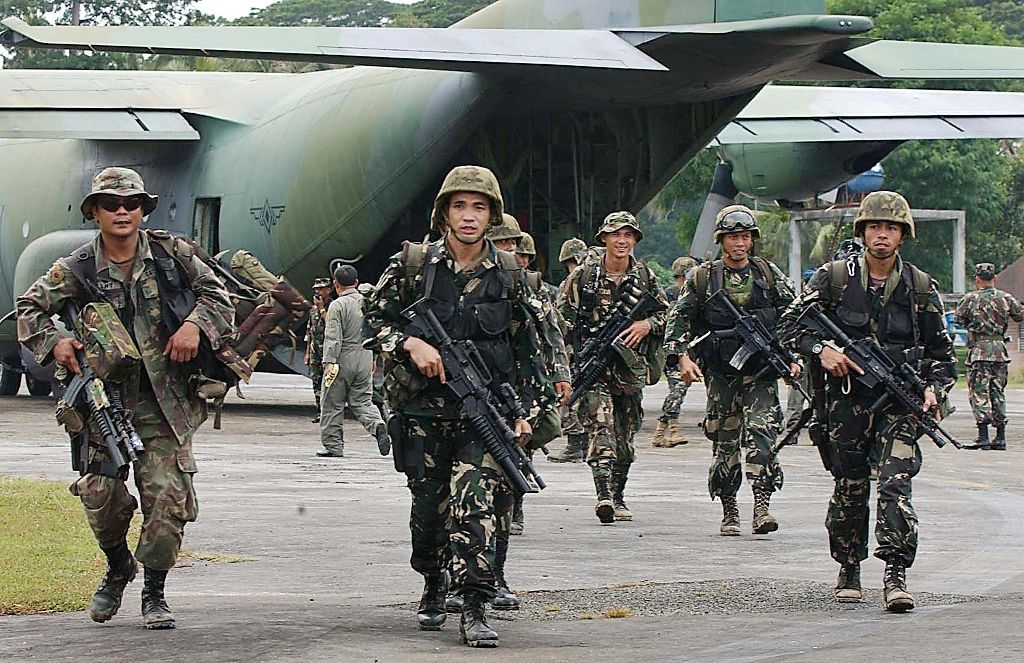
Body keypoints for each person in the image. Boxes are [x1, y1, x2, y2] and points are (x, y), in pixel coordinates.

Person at [16, 167, 236, 629]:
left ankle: (154, 592)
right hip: (103, 401)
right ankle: (118, 566)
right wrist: (55, 342)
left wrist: (195, 326)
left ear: (143, 209)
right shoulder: (76, 268)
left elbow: (221, 295)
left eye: (132, 203)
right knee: (102, 496)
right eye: (111, 204)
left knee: (167, 498)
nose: (122, 211)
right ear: (94, 211)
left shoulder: (172, 254)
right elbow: (29, 308)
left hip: (164, 404)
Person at [364, 165, 565, 648]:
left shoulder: (512, 274)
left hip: (483, 412)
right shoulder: (414, 265)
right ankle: (434, 581)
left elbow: (529, 349)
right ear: (444, 212)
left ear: (491, 215)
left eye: (479, 207)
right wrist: (411, 344)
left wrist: (526, 413)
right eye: (460, 206)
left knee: (476, 504)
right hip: (424, 412)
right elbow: (374, 319)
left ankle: (474, 603)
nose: (469, 216)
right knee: (428, 512)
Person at [779, 190, 955, 612]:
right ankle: (849, 565)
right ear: (863, 231)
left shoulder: (920, 286)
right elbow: (788, 326)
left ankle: (895, 573)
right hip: (845, 405)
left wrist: (934, 389)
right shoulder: (834, 278)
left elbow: (942, 358)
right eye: (875, 226)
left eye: (890, 228)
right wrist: (822, 349)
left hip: (898, 405)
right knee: (851, 486)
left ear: (902, 235)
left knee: (895, 485)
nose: (882, 234)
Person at [665, 205, 798, 536]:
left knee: (763, 434)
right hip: (722, 374)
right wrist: (682, 356)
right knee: (725, 440)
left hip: (762, 372)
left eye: (745, 237)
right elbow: (678, 318)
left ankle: (762, 504)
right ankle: (729, 508)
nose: (740, 244)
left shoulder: (767, 274)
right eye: (733, 238)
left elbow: (795, 313)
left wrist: (792, 354)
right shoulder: (703, 278)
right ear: (722, 241)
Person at [559, 212, 667, 523]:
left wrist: (647, 324)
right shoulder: (584, 276)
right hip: (595, 367)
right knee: (601, 426)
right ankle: (603, 494)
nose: (622, 241)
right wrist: (568, 364)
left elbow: (665, 314)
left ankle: (619, 494)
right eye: (615, 235)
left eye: (628, 235)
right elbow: (560, 318)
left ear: (634, 240)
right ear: (604, 238)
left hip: (629, 369)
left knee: (626, 435)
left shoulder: (645, 277)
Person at [318, 265, 390, 458]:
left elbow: (333, 337)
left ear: (335, 284)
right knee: (363, 400)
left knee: (332, 402)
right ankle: (377, 425)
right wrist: (374, 357)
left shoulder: (337, 306)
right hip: (364, 357)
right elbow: (375, 332)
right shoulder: (367, 302)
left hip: (342, 358)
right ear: (356, 283)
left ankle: (333, 446)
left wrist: (329, 361)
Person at [955, 262, 1024, 450]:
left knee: (979, 392)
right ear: (995, 278)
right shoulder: (1006, 298)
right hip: (1000, 350)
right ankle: (1000, 437)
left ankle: (983, 436)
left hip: (979, 350)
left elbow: (958, 319)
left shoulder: (970, 299)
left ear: (977, 279)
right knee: (997, 392)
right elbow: (1020, 315)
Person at [548, 237, 590, 463]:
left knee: (568, 395)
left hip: (574, 348)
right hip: (586, 346)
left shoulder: (574, 281)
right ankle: (582, 444)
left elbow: (561, 319)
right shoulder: (594, 277)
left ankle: (576, 444)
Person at [653, 255, 698, 448]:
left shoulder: (694, 296)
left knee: (679, 390)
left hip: (687, 352)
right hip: (670, 353)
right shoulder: (671, 297)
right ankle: (671, 430)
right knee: (678, 390)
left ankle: (662, 432)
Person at [305, 276, 333, 423]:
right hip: (316, 349)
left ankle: (329, 413)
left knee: (329, 382)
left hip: (329, 350)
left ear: (329, 290)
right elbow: (310, 331)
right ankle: (320, 411)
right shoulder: (313, 309)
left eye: (321, 289)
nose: (318, 292)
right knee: (316, 380)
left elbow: (331, 324)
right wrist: (308, 353)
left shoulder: (333, 306)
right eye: (316, 289)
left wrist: (322, 308)